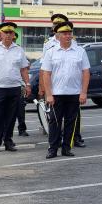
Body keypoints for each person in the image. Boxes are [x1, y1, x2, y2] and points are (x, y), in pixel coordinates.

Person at [41, 21, 90, 158]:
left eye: (69, 33)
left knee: (71, 122)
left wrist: (83, 92)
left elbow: (86, 72)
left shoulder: (80, 51)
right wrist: (49, 94)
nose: (68, 36)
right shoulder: (51, 52)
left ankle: (66, 148)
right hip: (56, 94)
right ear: (58, 35)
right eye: (64, 34)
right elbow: (46, 74)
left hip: (74, 93)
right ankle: (52, 149)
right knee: (54, 122)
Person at [0, 22, 31, 152]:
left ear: (14, 35)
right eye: (6, 33)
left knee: (11, 116)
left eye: (10, 33)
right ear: (1, 34)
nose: (8, 35)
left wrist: (28, 84)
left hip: (14, 87)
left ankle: (8, 141)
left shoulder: (19, 50)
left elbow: (24, 69)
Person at [12, 33, 29, 136]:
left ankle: (22, 129)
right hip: (3, 85)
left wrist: (27, 84)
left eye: (14, 39)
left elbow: (26, 67)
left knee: (20, 108)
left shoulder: (19, 50)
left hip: (19, 84)